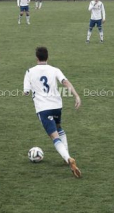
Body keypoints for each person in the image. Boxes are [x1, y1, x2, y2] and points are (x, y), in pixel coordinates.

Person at [23, 46, 82, 178]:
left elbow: (26, 92)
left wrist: (30, 90)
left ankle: (68, 159)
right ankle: (66, 155)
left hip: (43, 108)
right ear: (47, 57)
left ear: (36, 57)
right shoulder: (55, 70)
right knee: (58, 127)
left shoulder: (29, 71)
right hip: (57, 106)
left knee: (54, 137)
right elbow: (65, 82)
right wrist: (76, 96)